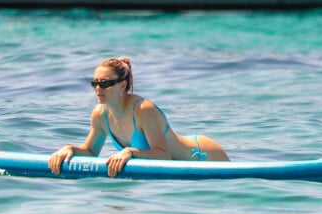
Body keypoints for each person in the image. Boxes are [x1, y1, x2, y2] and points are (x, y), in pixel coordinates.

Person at [48, 57, 229, 177]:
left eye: (105, 83)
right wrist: (70, 149)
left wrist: (130, 152)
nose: (98, 88)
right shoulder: (100, 115)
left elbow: (164, 155)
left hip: (202, 156)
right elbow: (91, 152)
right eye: (95, 83)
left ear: (122, 85)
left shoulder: (143, 109)